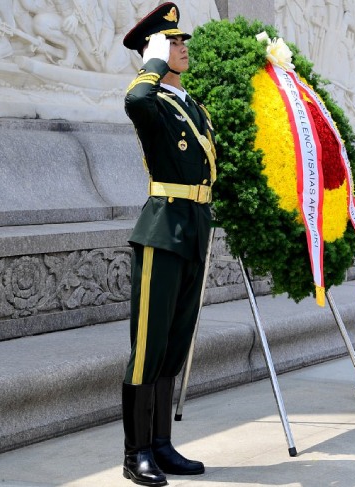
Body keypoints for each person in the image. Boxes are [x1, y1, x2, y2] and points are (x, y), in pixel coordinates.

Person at [120, 3, 216, 485]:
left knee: (174, 345)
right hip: (162, 228)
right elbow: (135, 102)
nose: (182, 48)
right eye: (172, 42)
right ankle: (135, 452)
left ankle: (160, 444)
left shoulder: (189, 104)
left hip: (194, 226)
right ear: (154, 49)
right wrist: (151, 65)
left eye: (180, 42)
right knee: (148, 347)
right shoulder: (151, 98)